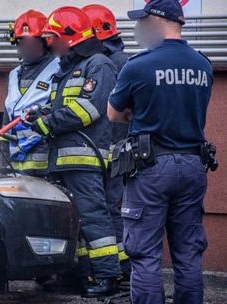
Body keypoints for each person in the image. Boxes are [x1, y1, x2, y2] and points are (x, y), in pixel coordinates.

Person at [107, 0, 213, 303]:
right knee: (189, 253)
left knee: (144, 253)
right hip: (194, 165)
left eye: (143, 21)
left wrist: (137, 112)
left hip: (150, 168)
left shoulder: (138, 65)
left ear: (155, 21)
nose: (139, 27)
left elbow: (113, 115)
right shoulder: (202, 64)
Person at [25, 6, 120, 297]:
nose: (49, 43)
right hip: (63, 158)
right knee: (73, 221)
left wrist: (48, 122)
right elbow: (60, 107)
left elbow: (89, 109)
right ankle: (77, 275)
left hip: (84, 157)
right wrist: (39, 113)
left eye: (52, 36)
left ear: (71, 36)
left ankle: (108, 277)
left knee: (93, 217)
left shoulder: (98, 64)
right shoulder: (66, 69)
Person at [82, 3, 131, 279]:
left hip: (114, 152)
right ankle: (117, 270)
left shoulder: (112, 64)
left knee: (111, 210)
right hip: (110, 151)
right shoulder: (115, 60)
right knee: (108, 210)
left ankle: (121, 271)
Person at [1, 9, 59, 175]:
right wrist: (4, 157)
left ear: (44, 42)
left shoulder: (58, 69)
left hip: (45, 162)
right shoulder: (14, 75)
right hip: (15, 162)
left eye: (29, 42)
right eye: (21, 41)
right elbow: (7, 118)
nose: (25, 47)